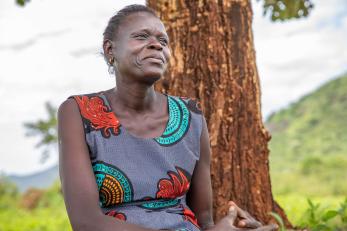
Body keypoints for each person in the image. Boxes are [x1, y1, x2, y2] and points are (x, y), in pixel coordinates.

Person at [58, 4, 278, 231]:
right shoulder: (79, 113)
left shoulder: (191, 116)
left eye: (163, 41)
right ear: (110, 50)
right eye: (141, 36)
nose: (156, 45)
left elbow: (204, 222)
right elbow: (86, 223)